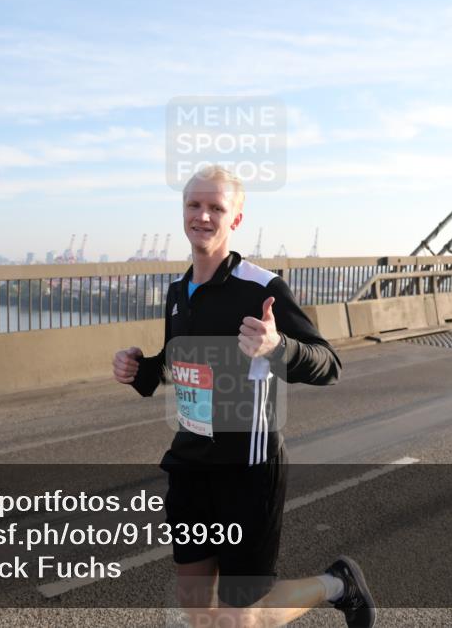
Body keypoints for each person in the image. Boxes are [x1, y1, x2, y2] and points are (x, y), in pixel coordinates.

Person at [113, 166, 376, 628]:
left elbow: (329, 363)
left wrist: (278, 348)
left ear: (236, 219)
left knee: (240, 618)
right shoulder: (179, 292)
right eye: (194, 205)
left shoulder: (261, 288)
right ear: (183, 212)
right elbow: (179, 367)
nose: (203, 216)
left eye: (217, 207)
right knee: (200, 614)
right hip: (190, 467)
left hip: (247, 470)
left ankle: (338, 583)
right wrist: (140, 369)